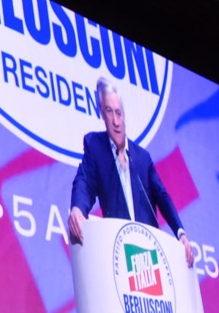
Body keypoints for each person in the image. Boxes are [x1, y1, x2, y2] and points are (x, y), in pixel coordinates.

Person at [68, 77, 195, 267]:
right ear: (102, 113)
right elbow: (84, 181)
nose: (115, 121)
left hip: (149, 254)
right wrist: (78, 208)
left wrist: (180, 233)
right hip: (118, 253)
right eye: (109, 112)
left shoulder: (142, 158)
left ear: (124, 115)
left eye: (118, 113)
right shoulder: (95, 147)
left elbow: (162, 196)